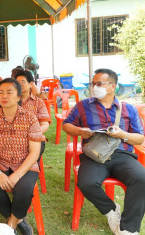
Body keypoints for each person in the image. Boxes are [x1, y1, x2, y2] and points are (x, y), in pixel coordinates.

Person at [63, 68, 145, 235]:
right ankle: (111, 209)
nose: (94, 87)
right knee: (86, 183)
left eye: (99, 83)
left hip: (122, 155)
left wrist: (123, 134)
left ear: (112, 86)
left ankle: (128, 228)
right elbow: (66, 125)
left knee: (141, 178)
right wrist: (81, 131)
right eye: (93, 83)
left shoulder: (128, 109)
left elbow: (139, 138)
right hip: (94, 156)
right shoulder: (83, 106)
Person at [0, 78, 43, 234]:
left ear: (19, 97)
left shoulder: (30, 118)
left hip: (24, 163)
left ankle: (11, 226)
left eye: (9, 92)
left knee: (24, 190)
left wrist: (17, 175)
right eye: (1, 92)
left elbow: (35, 151)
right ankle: (18, 218)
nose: (4, 96)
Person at [15, 70, 50, 159]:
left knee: (29, 157)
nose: (19, 84)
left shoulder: (38, 102)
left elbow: (45, 124)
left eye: (22, 82)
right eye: (17, 82)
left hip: (34, 138)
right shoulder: (11, 101)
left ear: (31, 84)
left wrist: (34, 133)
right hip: (14, 138)